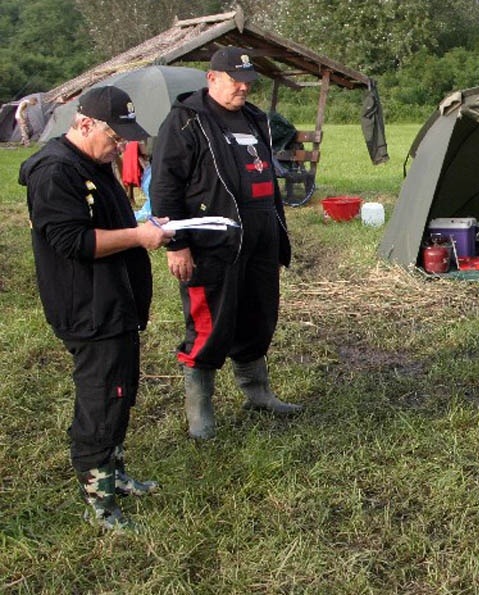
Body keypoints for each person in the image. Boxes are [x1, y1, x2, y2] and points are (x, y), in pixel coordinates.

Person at [19, 86, 175, 530]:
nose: (122, 145)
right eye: (115, 134)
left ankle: (115, 472)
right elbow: (74, 242)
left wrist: (146, 225)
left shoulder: (95, 162)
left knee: (121, 391)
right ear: (83, 123)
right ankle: (99, 499)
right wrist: (139, 237)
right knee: (101, 400)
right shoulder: (54, 172)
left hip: (116, 301)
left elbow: (110, 223)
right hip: (88, 307)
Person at [149, 46, 301, 440]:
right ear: (212, 78)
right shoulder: (185, 122)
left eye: (248, 81)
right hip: (211, 243)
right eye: (235, 80)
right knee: (209, 324)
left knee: (258, 314)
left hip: (261, 236)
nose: (243, 88)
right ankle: (200, 409)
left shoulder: (255, 119)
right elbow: (165, 186)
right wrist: (176, 244)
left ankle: (258, 393)